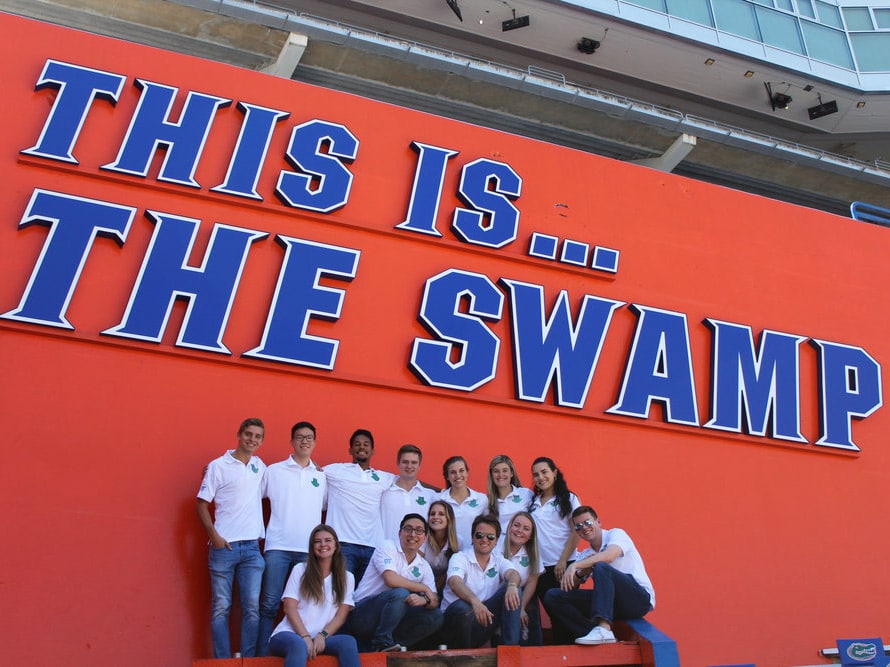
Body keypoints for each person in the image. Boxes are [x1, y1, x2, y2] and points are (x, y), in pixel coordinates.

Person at [196, 418, 267, 658]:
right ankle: (223, 660)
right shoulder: (218, 465)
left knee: (252, 609)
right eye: (248, 434)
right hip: (223, 547)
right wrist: (214, 536)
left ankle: (246, 659)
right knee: (221, 608)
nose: (252, 439)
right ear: (239, 434)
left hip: (252, 550)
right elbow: (201, 504)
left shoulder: (260, 466)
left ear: (261, 441)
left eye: (257, 436)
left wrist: (315, 468)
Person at [257, 421, 327, 655]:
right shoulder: (274, 471)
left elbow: (328, 505)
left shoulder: (321, 476)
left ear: (315, 442)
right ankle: (262, 656)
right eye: (299, 437)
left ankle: (301, 650)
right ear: (292, 441)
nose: (304, 441)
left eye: (309, 437)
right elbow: (250, 491)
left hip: (309, 551)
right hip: (277, 547)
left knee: (306, 607)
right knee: (269, 604)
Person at [543, 506, 655, 645]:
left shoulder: (616, 534)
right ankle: (590, 632)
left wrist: (576, 565)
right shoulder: (585, 554)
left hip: (638, 600)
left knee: (601, 566)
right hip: (611, 605)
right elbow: (569, 586)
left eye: (588, 522)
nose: (584, 528)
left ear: (598, 522)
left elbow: (609, 556)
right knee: (553, 596)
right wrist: (583, 571)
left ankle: (604, 628)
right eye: (578, 526)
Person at [345, 513, 443, 651]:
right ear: (400, 533)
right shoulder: (387, 546)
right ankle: (382, 642)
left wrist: (425, 600)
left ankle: (393, 645)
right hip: (363, 614)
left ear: (425, 538)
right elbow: (390, 579)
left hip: (392, 620)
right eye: (408, 529)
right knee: (400, 594)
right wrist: (423, 588)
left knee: (436, 616)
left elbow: (435, 600)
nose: (413, 534)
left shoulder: (423, 565)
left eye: (419, 531)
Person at [268, 525, 360, 666]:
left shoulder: (347, 577)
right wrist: (304, 636)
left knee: (348, 642)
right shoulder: (300, 570)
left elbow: (340, 616)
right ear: (312, 547)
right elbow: (289, 608)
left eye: (328, 540)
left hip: (320, 638)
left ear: (336, 545)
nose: (323, 544)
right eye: (317, 541)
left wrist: (322, 635)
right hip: (289, 635)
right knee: (299, 645)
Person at [323, 429, 395, 585]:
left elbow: (409, 481)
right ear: (350, 450)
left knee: (363, 598)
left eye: (366, 444)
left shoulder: (383, 477)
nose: (362, 447)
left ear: (373, 450)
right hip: (343, 545)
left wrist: (441, 491)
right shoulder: (336, 470)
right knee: (341, 594)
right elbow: (312, 471)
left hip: (373, 547)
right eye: (357, 444)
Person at [441, 514, 522, 649]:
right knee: (463, 608)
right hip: (454, 627)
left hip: (481, 622)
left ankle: (510, 649)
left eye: (490, 536)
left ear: (496, 541)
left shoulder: (498, 559)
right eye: (479, 535)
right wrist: (475, 602)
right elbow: (455, 582)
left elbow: (513, 574)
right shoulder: (460, 557)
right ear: (473, 537)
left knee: (514, 590)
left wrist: (513, 585)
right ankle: (464, 659)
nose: (485, 540)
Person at [528, 456, 580, 602]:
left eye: (545, 472)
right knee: (552, 612)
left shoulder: (569, 499)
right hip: (540, 568)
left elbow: (577, 531)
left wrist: (562, 561)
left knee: (565, 611)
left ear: (554, 473)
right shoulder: (533, 502)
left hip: (563, 565)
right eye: (536, 475)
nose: (541, 477)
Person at [502, 511, 544, 646]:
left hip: (518, 597)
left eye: (526, 529)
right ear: (509, 527)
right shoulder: (496, 546)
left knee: (526, 606)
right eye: (516, 525)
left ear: (531, 535)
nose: (520, 531)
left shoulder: (532, 552)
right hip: (495, 597)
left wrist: (521, 608)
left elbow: (532, 581)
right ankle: (511, 647)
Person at [380, 444, 437, 542]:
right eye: (405, 462)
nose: (409, 466)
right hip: (388, 552)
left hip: (419, 555)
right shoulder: (384, 492)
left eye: (414, 462)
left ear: (419, 465)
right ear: (398, 463)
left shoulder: (430, 496)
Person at [436, 456, 486, 551]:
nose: (458, 475)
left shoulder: (482, 499)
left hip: (473, 554)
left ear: (467, 473)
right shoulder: (438, 499)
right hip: (445, 554)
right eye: (453, 472)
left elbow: (488, 528)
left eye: (461, 470)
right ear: (447, 476)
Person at [486, 455, 534, 537]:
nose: (501, 475)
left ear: (511, 473)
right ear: (491, 475)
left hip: (522, 547)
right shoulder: (486, 501)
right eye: (496, 471)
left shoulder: (526, 494)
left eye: (505, 470)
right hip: (497, 548)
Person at [423, 500, 459, 598]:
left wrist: (435, 591)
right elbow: (418, 567)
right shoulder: (422, 538)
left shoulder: (459, 541)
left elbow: (453, 572)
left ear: (449, 518)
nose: (435, 517)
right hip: (422, 587)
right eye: (432, 514)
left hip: (446, 589)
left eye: (441, 514)